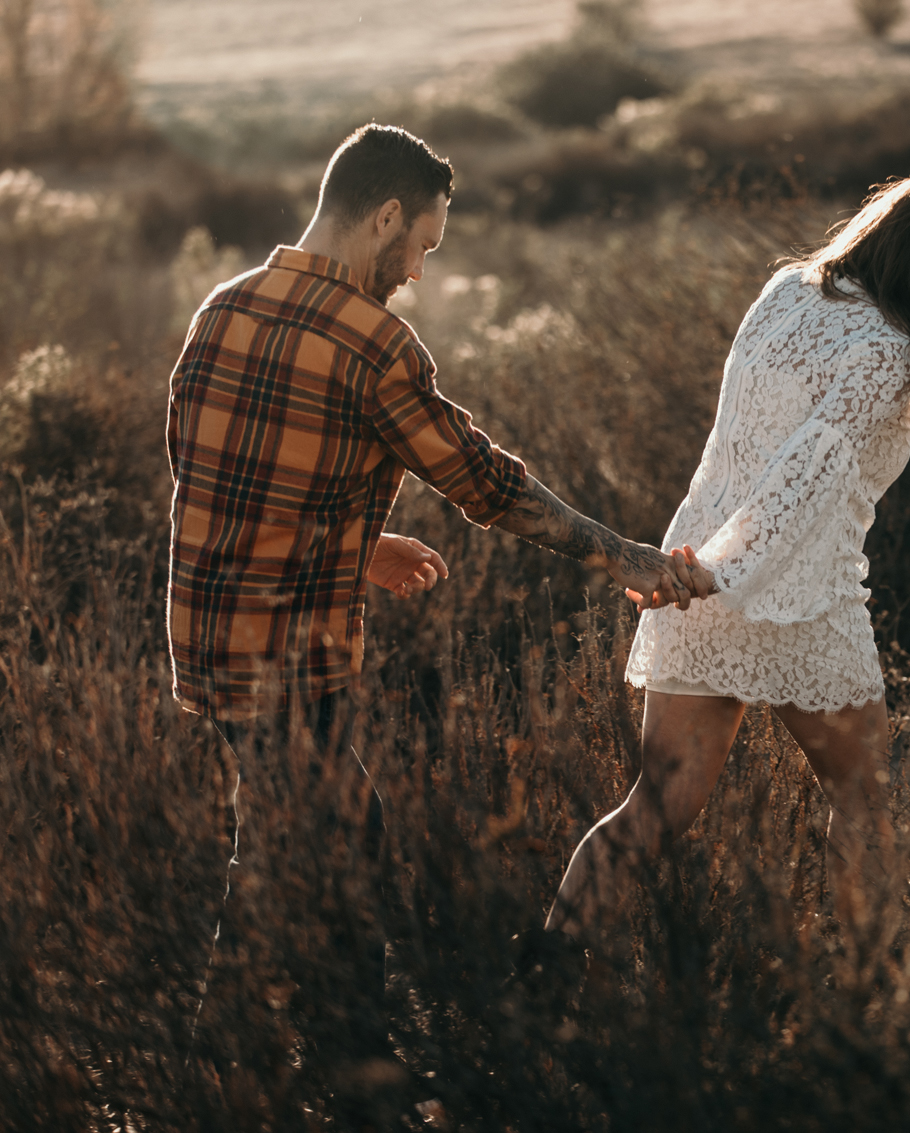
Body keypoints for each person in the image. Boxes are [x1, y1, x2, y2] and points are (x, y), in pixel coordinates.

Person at [166, 124, 705, 1115]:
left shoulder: (224, 305)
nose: (417, 271)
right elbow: (486, 485)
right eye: (422, 244)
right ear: (383, 217)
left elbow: (212, 460)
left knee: (286, 831)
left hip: (208, 630)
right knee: (333, 837)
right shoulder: (372, 341)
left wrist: (349, 542)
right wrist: (623, 557)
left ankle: (264, 1065)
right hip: (290, 646)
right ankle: (325, 1073)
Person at [544, 173, 910, 940]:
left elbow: (742, 448)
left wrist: (700, 570)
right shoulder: (887, 350)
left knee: (652, 809)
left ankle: (542, 972)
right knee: (862, 804)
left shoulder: (788, 289)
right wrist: (724, 571)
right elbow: (806, 475)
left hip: (695, 577)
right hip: (798, 598)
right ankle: (867, 994)